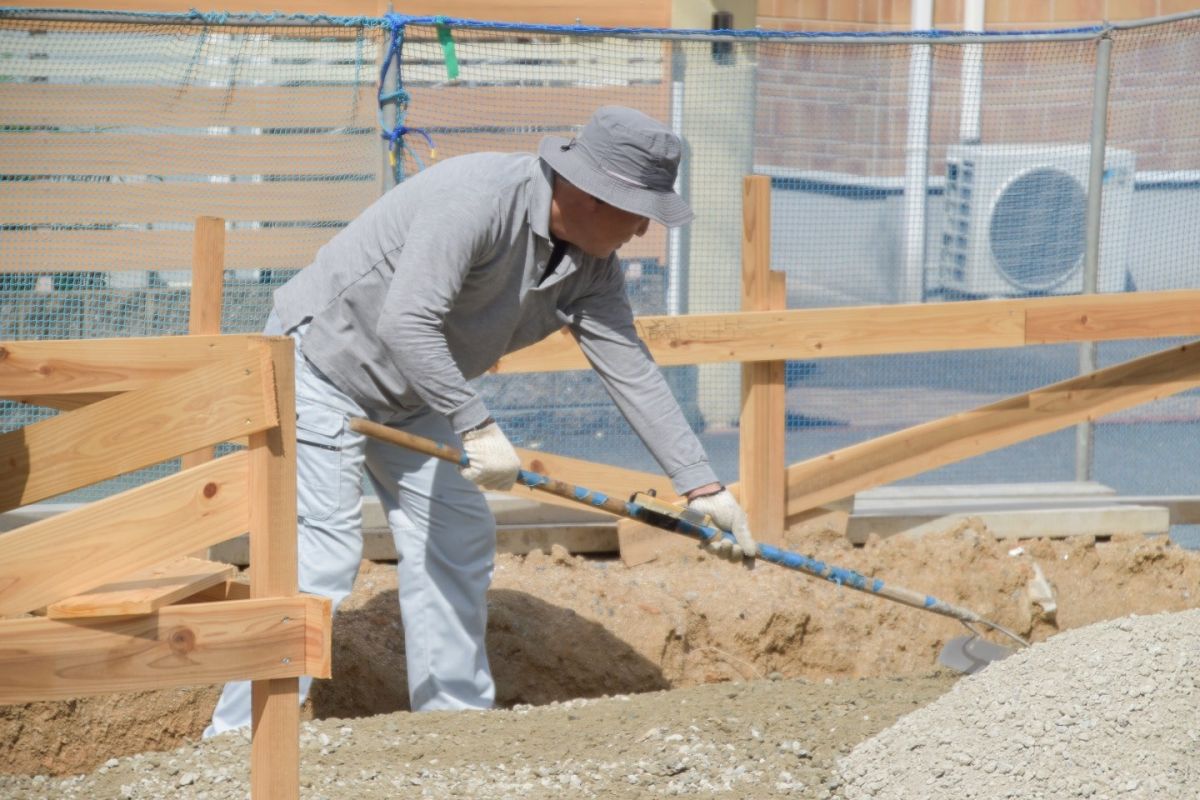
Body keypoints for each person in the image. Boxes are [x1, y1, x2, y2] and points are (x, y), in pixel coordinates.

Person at [204, 105, 756, 735]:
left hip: (414, 391)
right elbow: (405, 323)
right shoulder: (476, 200)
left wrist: (702, 486)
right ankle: (236, 739)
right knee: (324, 553)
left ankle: (453, 727)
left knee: (456, 535)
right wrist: (475, 424)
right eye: (640, 213)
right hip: (321, 369)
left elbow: (629, 367)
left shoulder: (591, 265)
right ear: (592, 194)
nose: (643, 231)